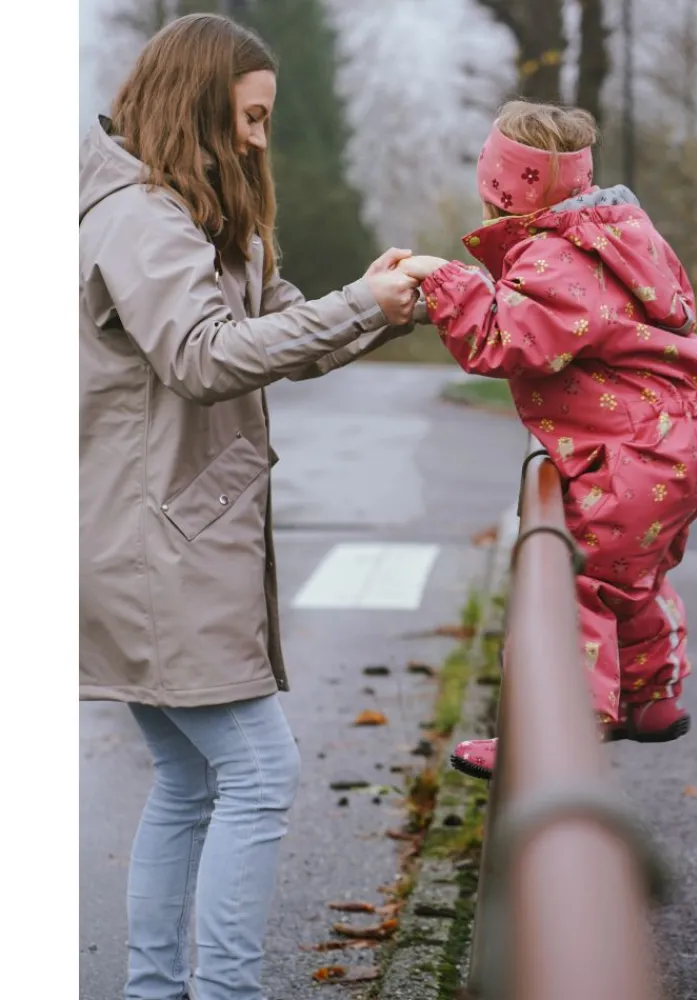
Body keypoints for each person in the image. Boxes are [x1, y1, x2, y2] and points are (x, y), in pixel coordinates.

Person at [79, 14, 421, 1000]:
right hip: (155, 553)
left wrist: (385, 302)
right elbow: (202, 357)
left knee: (191, 784)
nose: (263, 137)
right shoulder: (140, 217)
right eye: (253, 115)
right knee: (259, 776)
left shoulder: (189, 221)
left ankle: (159, 990)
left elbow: (276, 331)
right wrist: (363, 302)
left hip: (162, 545)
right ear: (199, 104)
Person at [399, 101, 697, 781]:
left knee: (570, 585)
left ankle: (552, 734)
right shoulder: (624, 235)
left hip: (636, 454)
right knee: (632, 576)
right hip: (686, 444)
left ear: (501, 189)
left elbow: (505, 339)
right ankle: (652, 698)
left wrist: (441, 277)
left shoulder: (555, 256)